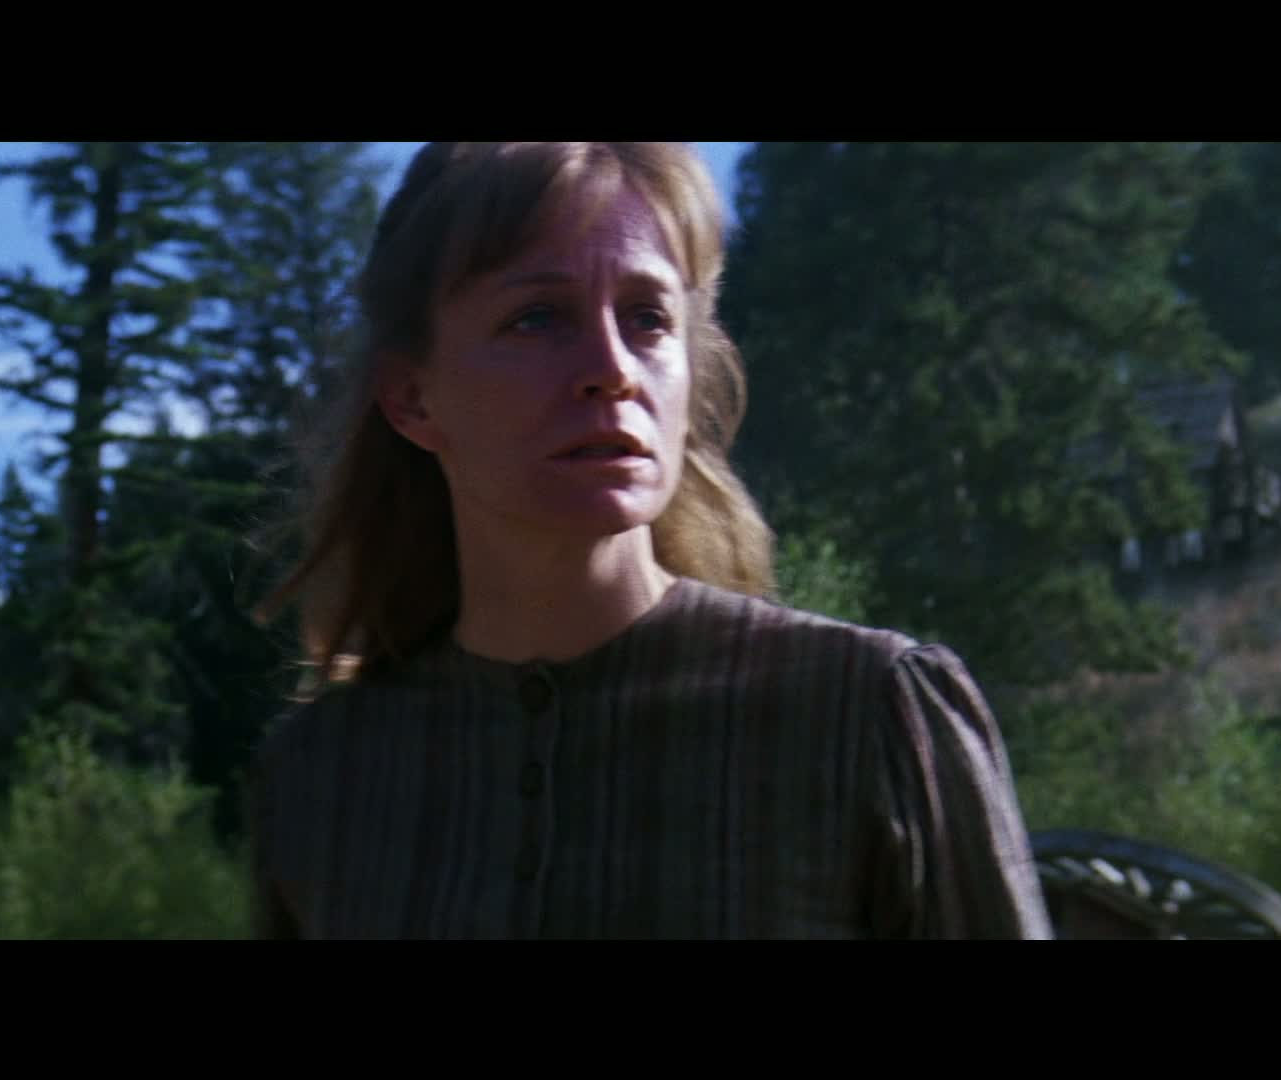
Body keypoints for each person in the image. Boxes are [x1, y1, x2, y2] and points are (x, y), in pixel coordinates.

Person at [244, 142, 1052, 939]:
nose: (613, 368)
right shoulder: (323, 777)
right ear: (412, 398)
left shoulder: (867, 714)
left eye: (647, 319)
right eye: (537, 318)